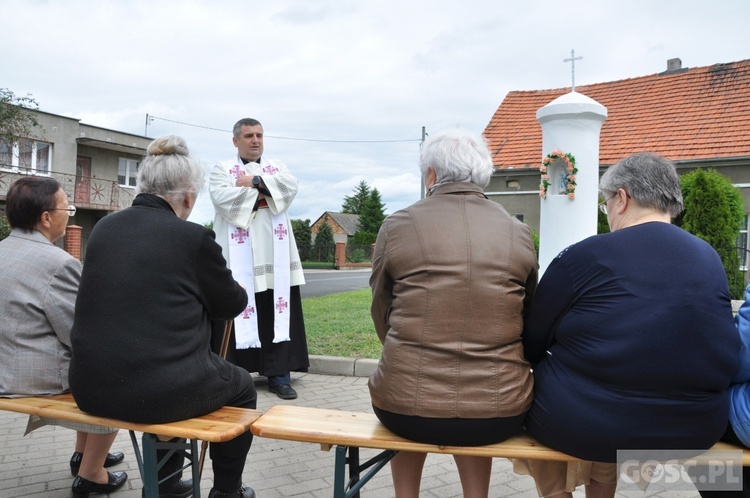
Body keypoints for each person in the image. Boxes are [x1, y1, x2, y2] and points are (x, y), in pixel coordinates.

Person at [515, 152, 740, 498]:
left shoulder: (585, 256)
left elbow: (532, 341)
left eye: (606, 205)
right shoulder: (708, 257)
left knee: (568, 391)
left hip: (584, 424)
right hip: (693, 427)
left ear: (622, 198)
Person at [69, 136, 257, 498]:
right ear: (188, 197)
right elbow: (229, 304)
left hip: (90, 387)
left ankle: (169, 484)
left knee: (167, 369)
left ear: (144, 185)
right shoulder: (193, 238)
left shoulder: (104, 229)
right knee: (241, 385)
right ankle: (226, 491)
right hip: (154, 393)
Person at [367, 128, 538, 498]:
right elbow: (527, 315)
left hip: (403, 407)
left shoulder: (397, 225)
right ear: (482, 174)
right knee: (477, 415)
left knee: (406, 408)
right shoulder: (518, 232)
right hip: (498, 410)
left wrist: (405, 349)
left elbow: (381, 308)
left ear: (430, 175)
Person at [0, 177, 127, 497]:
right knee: (116, 370)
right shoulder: (59, 263)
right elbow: (80, 334)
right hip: (29, 377)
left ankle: (84, 454)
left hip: (6, 364)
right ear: (45, 217)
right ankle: (91, 474)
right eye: (66, 208)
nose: (69, 214)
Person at [209, 117, 309, 400]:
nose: (255, 140)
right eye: (249, 135)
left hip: (275, 259)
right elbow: (221, 198)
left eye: (260, 135)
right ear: (236, 140)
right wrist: (267, 193)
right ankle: (232, 377)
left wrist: (253, 182)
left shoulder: (278, 167)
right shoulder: (222, 169)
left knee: (276, 310)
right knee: (236, 310)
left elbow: (289, 188)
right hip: (238, 262)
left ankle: (280, 376)